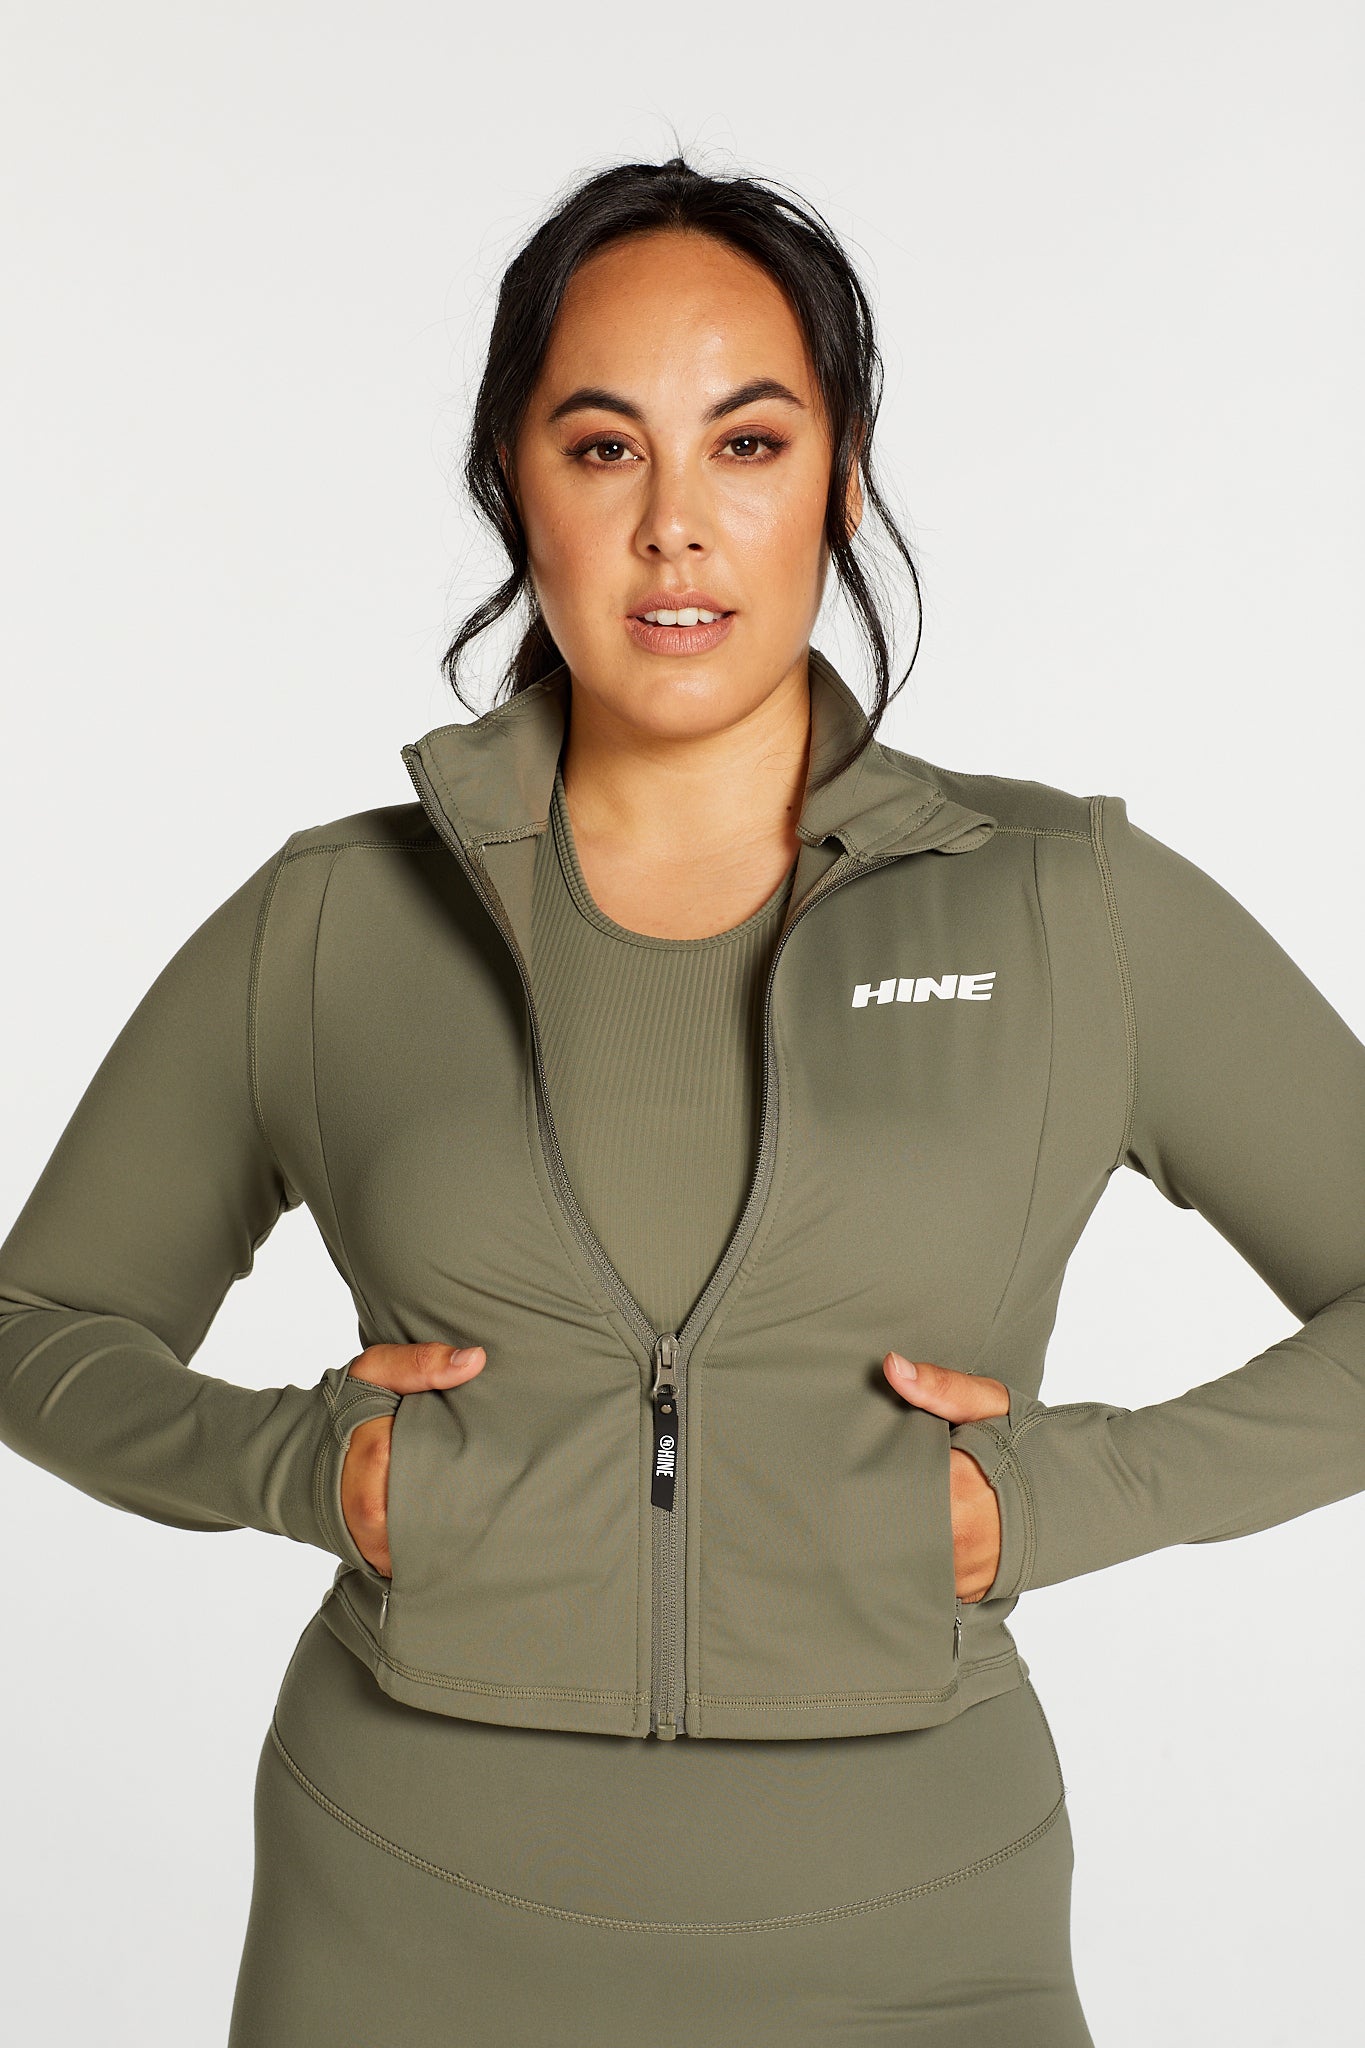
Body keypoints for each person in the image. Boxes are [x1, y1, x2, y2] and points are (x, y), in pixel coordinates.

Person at [2, 153, 1362, 2048]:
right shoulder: (337, 917)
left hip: (918, 1932)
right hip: (400, 1927)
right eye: (600, 448)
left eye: (745, 443)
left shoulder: (1067, 906)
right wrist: (301, 1466)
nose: (673, 529)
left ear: (840, 477)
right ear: (513, 484)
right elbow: (41, 1325)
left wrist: (1065, 1492)